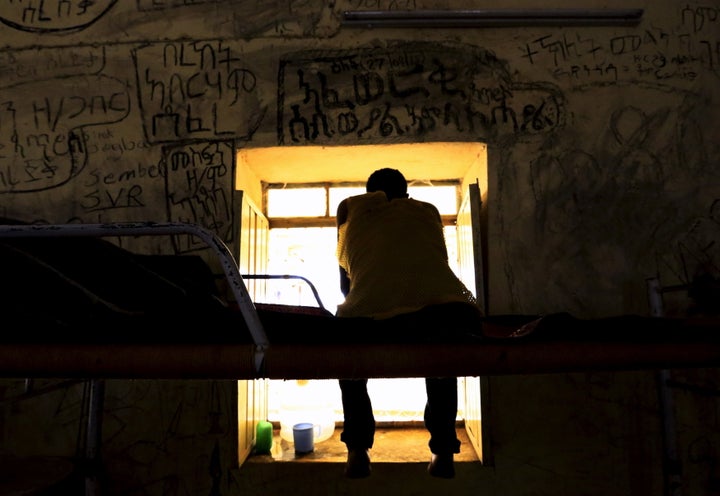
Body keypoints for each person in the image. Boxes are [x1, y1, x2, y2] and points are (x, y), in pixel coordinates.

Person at [335, 168, 483, 479]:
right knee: (443, 360)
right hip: (440, 313)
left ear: (368, 193)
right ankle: (443, 452)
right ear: (406, 194)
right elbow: (435, 266)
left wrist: (377, 302)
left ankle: (357, 451)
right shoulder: (426, 211)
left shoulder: (352, 208)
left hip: (375, 321)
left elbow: (346, 288)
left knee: (348, 361)